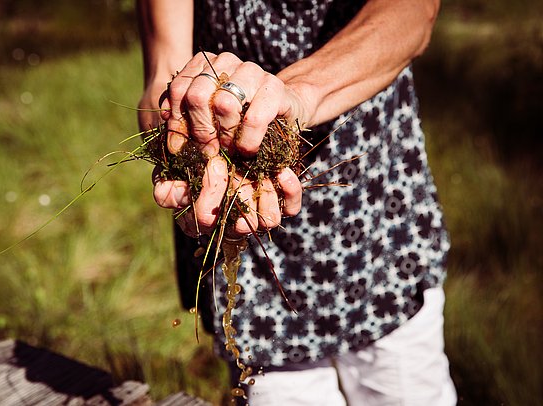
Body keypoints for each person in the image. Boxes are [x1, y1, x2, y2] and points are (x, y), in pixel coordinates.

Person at [137, 1, 456, 405]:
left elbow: (412, 14)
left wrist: (295, 94)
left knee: (403, 384)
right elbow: (165, 60)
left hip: (372, 223)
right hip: (241, 227)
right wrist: (175, 122)